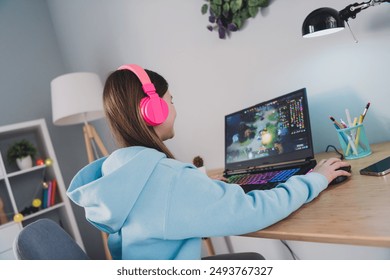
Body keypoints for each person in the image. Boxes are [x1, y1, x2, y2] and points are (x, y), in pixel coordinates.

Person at [67, 64, 351, 260]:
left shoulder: (117, 171)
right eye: (171, 100)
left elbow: (159, 212)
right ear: (153, 110)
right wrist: (317, 179)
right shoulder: (167, 178)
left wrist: (198, 190)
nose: (175, 109)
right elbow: (253, 211)